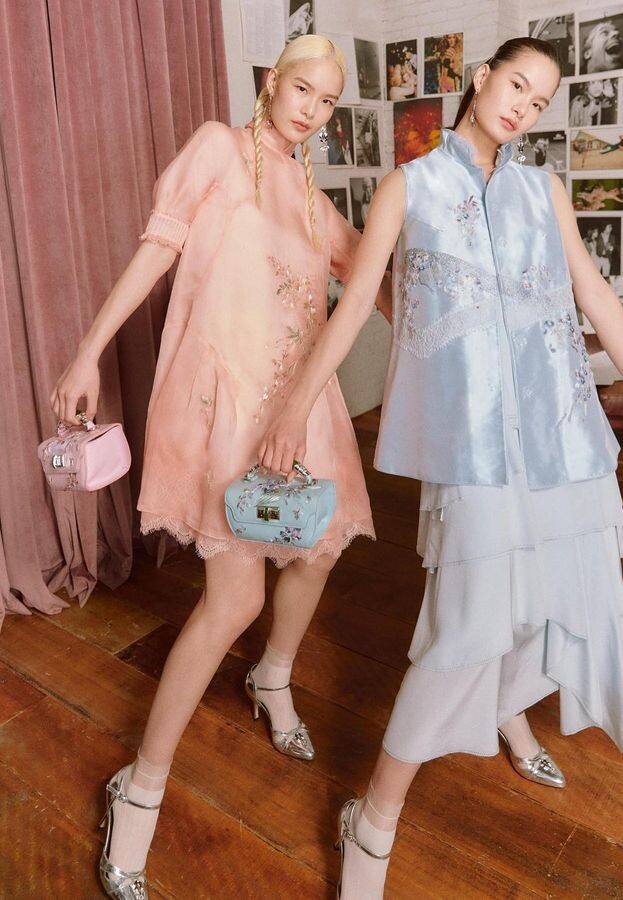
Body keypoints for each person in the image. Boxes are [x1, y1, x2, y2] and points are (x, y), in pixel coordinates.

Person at [259, 36, 623, 898]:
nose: (523, 107)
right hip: (473, 446)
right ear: (481, 79)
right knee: (466, 626)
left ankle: (509, 712)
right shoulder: (408, 187)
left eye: (539, 101)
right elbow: (354, 306)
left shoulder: (544, 189)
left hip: (565, 437)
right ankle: (374, 815)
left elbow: (591, 293)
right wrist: (293, 405)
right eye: (516, 85)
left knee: (558, 600)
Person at [51, 35, 390, 899]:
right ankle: (139, 789)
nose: (313, 110)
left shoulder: (313, 198)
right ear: (272, 83)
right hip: (225, 407)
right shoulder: (216, 148)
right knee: (234, 598)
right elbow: (158, 247)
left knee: (317, 551)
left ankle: (272, 676)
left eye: (328, 100)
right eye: (303, 90)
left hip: (298, 409)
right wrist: (88, 350)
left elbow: (376, 279)